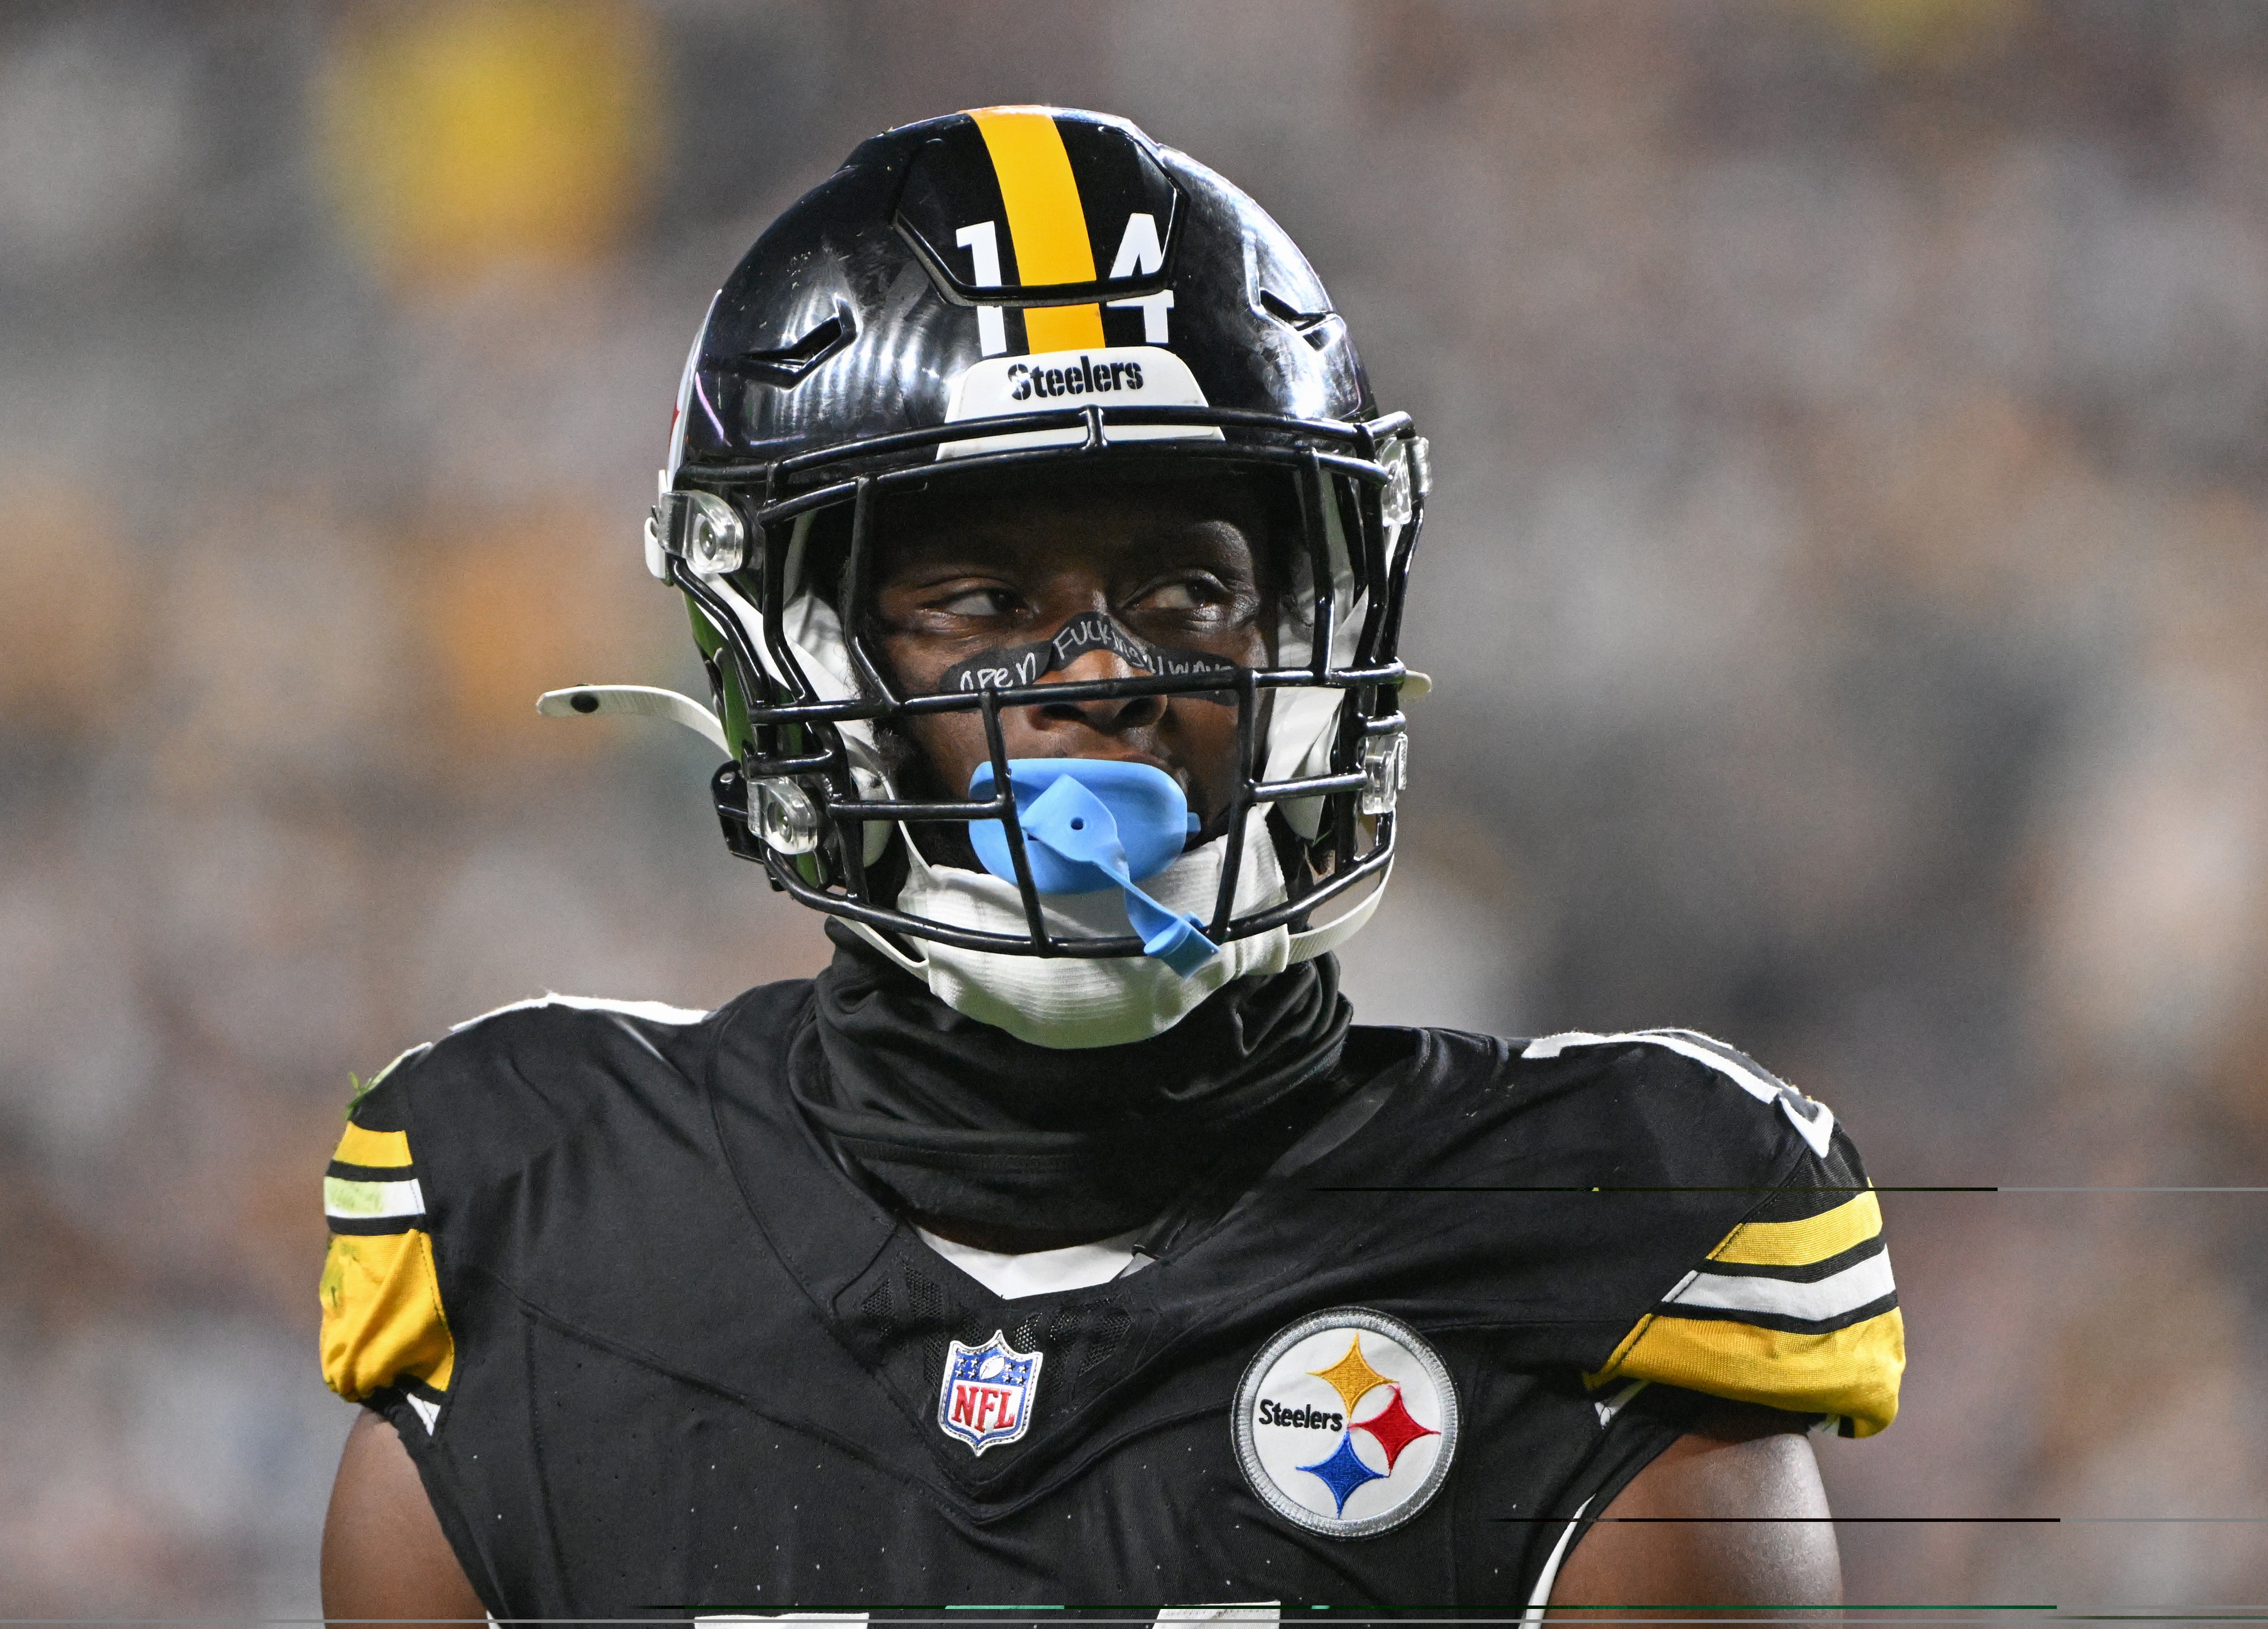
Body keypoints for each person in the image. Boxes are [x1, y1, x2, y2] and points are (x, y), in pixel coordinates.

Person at [316, 106, 1903, 1622]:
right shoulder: (541, 1228)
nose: (1097, 673)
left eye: (1185, 590)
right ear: (802, 664)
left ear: (1310, 632)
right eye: (986, 601)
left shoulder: (1591, 1237)